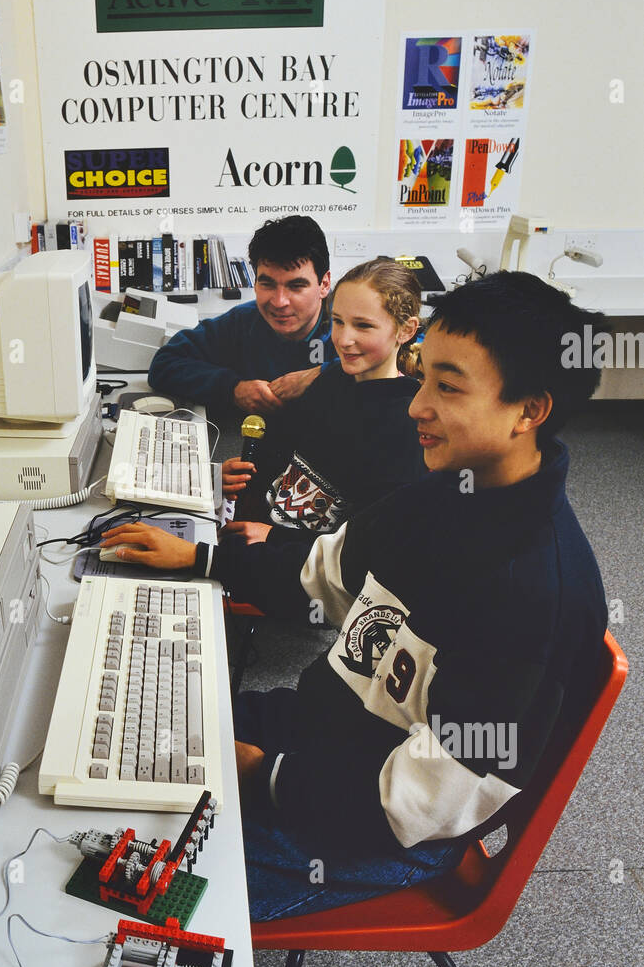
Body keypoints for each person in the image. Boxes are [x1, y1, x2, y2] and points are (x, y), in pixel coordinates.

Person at [100, 272, 610, 921]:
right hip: (323, 736)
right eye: (421, 375)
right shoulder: (440, 493)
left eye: (446, 388)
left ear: (527, 411)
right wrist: (204, 556)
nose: (414, 405)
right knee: (135, 730)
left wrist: (262, 772)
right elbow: (321, 574)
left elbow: (415, 806)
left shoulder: (530, 597)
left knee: (122, 889)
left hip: (377, 830)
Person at [223, 258, 426, 543]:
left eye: (363, 326)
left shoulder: (407, 426)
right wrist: (238, 474)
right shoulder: (330, 381)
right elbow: (281, 459)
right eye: (339, 322)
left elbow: (365, 548)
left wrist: (271, 539)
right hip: (260, 538)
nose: (343, 340)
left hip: (296, 565)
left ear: (406, 330)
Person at [147, 214, 335, 415]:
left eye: (296, 286)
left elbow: (373, 375)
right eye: (267, 284)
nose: (279, 302)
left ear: (323, 284)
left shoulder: (352, 325)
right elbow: (164, 365)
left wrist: (324, 375)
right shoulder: (242, 321)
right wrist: (233, 389)